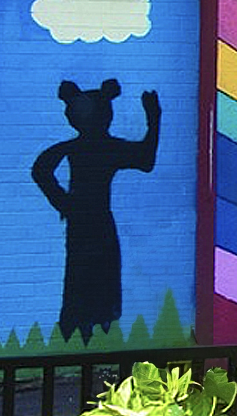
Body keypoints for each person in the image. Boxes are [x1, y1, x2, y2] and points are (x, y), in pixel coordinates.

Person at [33, 79, 160, 343]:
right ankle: (94, 329)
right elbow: (145, 159)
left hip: (84, 222)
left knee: (82, 277)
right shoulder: (104, 147)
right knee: (95, 277)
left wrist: (64, 203)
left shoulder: (79, 148)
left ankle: (84, 330)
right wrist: (153, 120)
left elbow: (41, 168)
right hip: (98, 222)